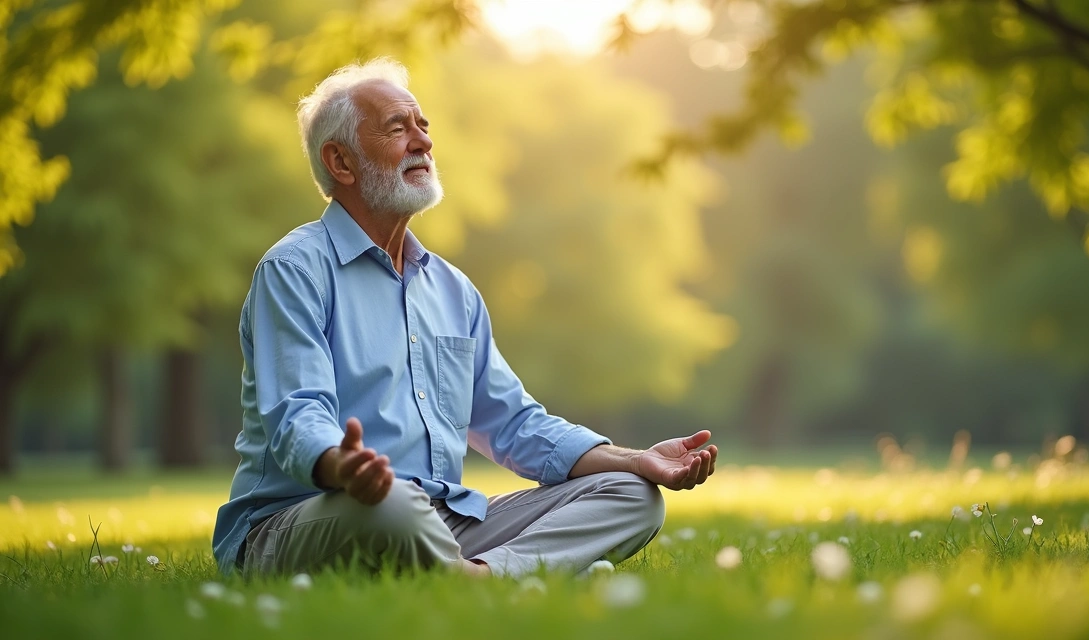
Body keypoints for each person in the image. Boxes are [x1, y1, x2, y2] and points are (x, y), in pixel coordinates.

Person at [211, 58, 718, 579]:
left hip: (440, 521)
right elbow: (296, 417)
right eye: (397, 129)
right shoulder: (294, 270)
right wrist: (343, 466)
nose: (424, 143)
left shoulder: (454, 290)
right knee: (394, 505)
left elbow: (516, 425)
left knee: (634, 496)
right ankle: (499, 573)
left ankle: (482, 576)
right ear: (341, 163)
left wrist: (636, 460)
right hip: (309, 519)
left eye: (423, 127)